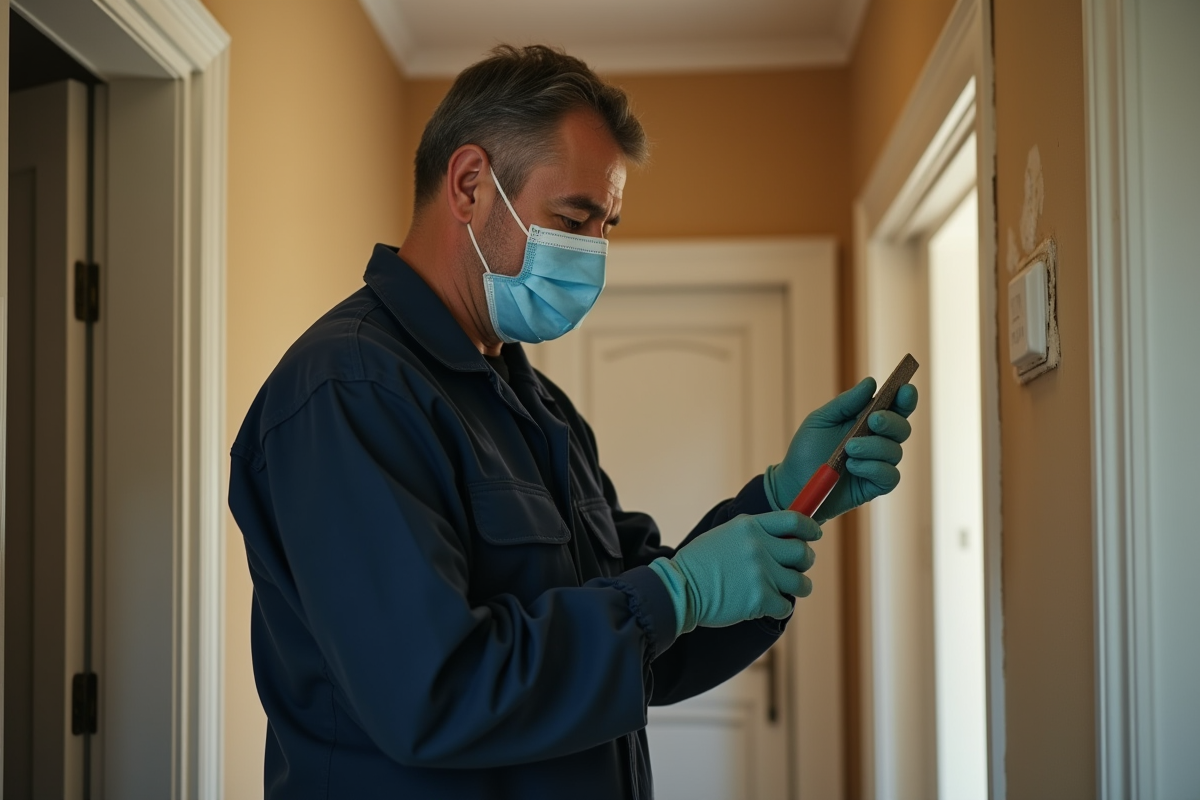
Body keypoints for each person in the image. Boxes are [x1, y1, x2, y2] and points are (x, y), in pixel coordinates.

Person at [228, 44, 918, 800]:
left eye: (607, 225)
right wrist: (674, 593)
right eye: (574, 219)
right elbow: (432, 695)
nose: (595, 252)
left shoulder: (536, 405)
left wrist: (788, 497)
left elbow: (649, 641)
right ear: (468, 185)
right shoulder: (351, 389)